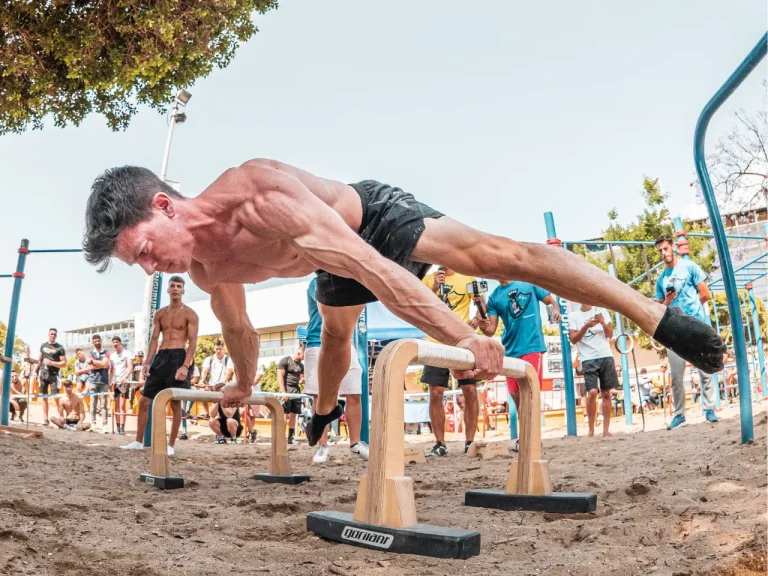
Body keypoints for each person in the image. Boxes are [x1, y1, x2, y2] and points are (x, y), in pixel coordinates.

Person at [83, 161, 725, 444]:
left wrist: (463, 337)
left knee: (497, 255)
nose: (150, 267)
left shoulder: (257, 196)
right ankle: (324, 415)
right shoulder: (204, 269)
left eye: (144, 250)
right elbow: (239, 328)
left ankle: (657, 317)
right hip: (332, 262)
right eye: (139, 265)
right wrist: (244, 386)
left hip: (369, 224)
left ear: (164, 206)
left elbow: (369, 263)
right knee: (336, 337)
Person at [120, 276, 199, 455]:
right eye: (173, 286)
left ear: (183, 290)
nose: (175, 289)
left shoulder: (190, 314)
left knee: (175, 403)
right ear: (168, 290)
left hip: (179, 356)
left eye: (179, 286)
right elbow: (154, 339)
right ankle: (138, 441)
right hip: (161, 356)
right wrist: (148, 362)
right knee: (144, 400)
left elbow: (193, 342)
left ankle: (171, 445)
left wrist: (185, 366)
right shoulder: (161, 314)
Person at [480, 280, 561, 445]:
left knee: (530, 392)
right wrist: (483, 325)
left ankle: (531, 438)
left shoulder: (528, 282)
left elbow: (550, 300)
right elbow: (491, 330)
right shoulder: (494, 297)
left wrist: (556, 311)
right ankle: (526, 435)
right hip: (510, 350)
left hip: (532, 345)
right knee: (516, 394)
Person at [654, 234, 719, 429]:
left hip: (696, 327)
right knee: (676, 376)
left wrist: (693, 315)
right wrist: (667, 301)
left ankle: (709, 410)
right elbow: (659, 309)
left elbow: (705, 294)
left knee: (705, 371)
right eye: (660, 250)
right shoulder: (661, 279)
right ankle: (679, 414)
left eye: (666, 248)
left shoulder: (689, 266)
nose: (663, 253)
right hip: (674, 333)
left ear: (672, 247)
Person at [420, 266, 485, 457]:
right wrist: (434, 287)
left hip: (461, 341)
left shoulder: (468, 278)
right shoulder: (428, 280)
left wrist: (477, 318)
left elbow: (482, 304)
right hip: (435, 342)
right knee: (435, 393)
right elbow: (420, 307)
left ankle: (470, 442)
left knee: (470, 390)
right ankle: (440, 444)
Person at [305, 276, 369, 463]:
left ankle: (356, 443)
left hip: (345, 343)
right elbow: (329, 304)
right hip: (318, 342)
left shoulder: (349, 280)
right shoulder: (318, 280)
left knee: (354, 392)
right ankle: (322, 446)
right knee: (319, 395)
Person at [568, 304, 619, 437]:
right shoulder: (574, 316)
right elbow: (573, 339)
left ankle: (606, 430)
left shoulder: (602, 311)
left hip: (605, 355)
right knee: (592, 393)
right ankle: (591, 429)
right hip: (588, 358)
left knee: (606, 393)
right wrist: (586, 326)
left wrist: (602, 322)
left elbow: (610, 334)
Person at [33, 328, 67, 426]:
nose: (53, 336)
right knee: (44, 397)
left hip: (54, 375)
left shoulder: (60, 348)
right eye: (51, 334)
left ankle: (61, 418)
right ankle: (45, 419)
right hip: (43, 375)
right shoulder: (43, 345)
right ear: (48, 334)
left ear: (56, 336)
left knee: (56, 397)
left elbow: (64, 363)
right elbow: (39, 360)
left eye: (54, 334)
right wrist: (35, 371)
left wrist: (51, 362)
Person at [197, 339, 233, 419]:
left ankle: (220, 416)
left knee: (218, 412)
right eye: (217, 349)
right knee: (202, 390)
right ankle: (206, 413)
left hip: (223, 387)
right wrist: (202, 380)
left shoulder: (228, 359)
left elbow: (228, 373)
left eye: (220, 349)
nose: (218, 351)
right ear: (214, 348)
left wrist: (221, 384)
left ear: (223, 348)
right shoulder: (209, 359)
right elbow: (205, 371)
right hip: (212, 386)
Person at [277, 349, 305, 445]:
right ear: (299, 353)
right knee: (284, 414)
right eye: (303, 355)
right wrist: (283, 392)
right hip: (286, 389)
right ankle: (281, 437)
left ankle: (290, 438)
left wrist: (302, 381)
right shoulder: (285, 360)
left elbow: (301, 378)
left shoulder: (301, 365)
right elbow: (279, 376)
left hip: (296, 391)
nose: (304, 358)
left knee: (293, 415)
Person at [86, 334, 111, 433]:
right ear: (93, 343)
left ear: (101, 341)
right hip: (93, 381)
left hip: (104, 381)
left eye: (98, 341)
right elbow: (90, 366)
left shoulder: (106, 352)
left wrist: (93, 362)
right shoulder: (90, 353)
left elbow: (104, 363)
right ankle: (93, 424)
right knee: (93, 404)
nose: (97, 342)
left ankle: (105, 425)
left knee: (104, 405)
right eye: (95, 341)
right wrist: (100, 364)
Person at [109, 336, 133, 435]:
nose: (115, 344)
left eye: (116, 342)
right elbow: (111, 370)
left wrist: (126, 377)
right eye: (113, 342)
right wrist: (110, 382)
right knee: (116, 405)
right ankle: (118, 427)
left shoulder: (127, 353)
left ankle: (122, 428)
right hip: (115, 382)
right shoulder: (112, 356)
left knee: (122, 405)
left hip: (124, 382)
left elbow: (130, 366)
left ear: (120, 343)